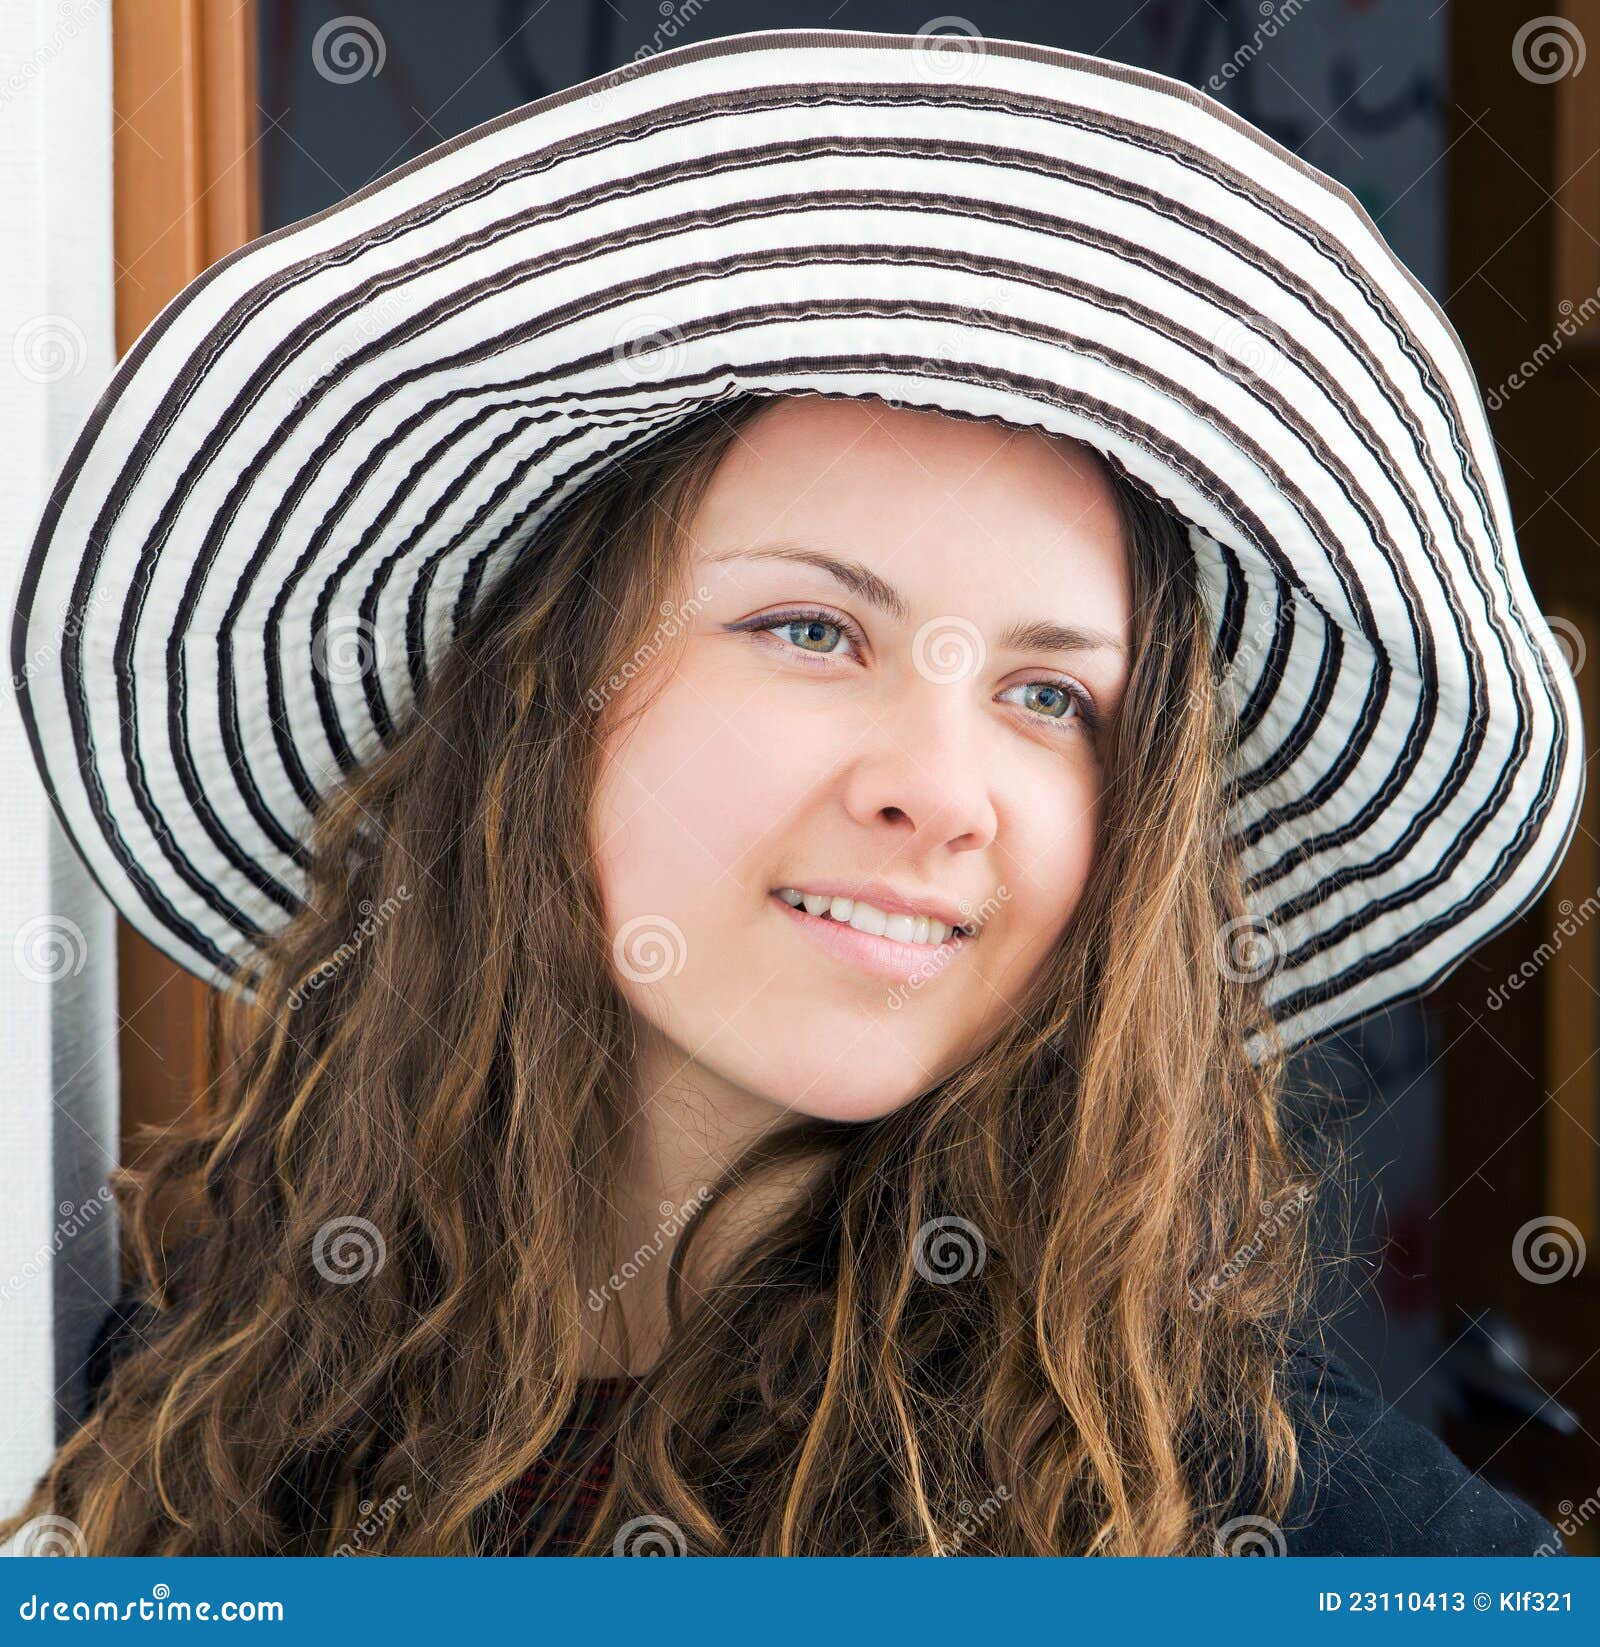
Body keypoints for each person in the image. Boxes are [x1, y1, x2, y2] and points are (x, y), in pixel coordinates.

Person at [3, 30, 1579, 1557]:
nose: (941, 792)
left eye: (1049, 696)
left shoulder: (1225, 1501)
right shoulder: (217, 1396)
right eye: (812, 629)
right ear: (542, 697)